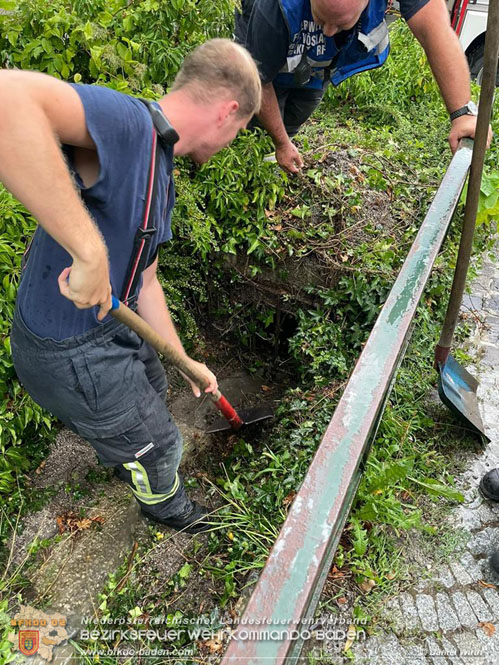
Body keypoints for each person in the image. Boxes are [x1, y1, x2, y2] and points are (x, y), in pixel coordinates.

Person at [0, 39, 261, 534]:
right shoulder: (127, 125)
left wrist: (185, 360)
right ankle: (166, 509)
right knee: (159, 445)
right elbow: (8, 99)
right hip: (70, 351)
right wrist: (89, 249)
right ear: (229, 112)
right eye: (241, 130)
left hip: (115, 324)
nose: (230, 142)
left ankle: (129, 443)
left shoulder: (160, 166)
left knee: (158, 387)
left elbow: (147, 279)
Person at [235, 0, 492, 173]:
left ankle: (273, 163)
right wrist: (280, 143)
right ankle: (248, 165)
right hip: (265, 50)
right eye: (322, 19)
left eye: (341, 23)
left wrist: (462, 113)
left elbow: (433, 29)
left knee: (300, 107)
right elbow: (260, 80)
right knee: (254, 128)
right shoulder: (271, 9)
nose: (327, 31)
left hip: (314, 69)